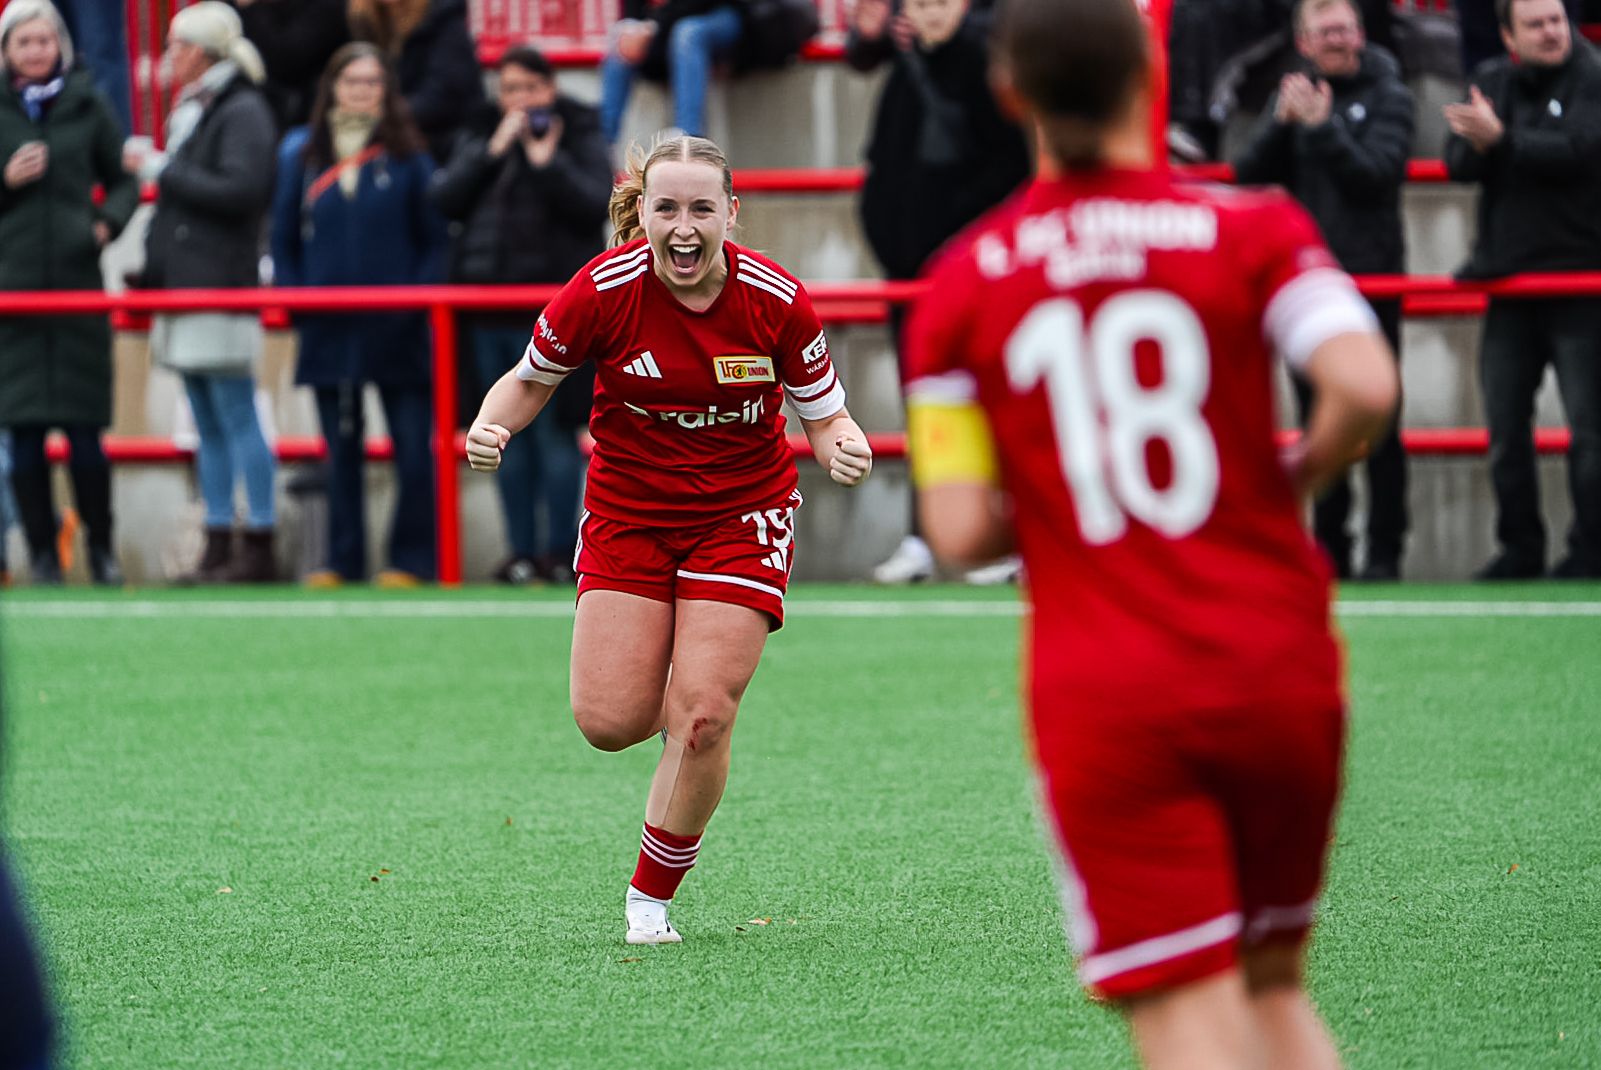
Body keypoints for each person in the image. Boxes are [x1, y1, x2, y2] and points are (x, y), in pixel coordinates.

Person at [903, 0, 1397, 1065]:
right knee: (1272, 987)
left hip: (1111, 690)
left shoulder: (959, 282)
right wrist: (1290, 474)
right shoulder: (1253, 226)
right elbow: (1362, 384)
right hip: (1277, 665)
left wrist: (1059, 494)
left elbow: (957, 529)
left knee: (1184, 1010)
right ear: (1147, 75)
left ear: (1008, 93)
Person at [465, 135, 874, 944]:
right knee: (607, 722)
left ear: (730, 214)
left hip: (742, 515)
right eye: (666, 208)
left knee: (705, 715)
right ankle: (684, 708)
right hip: (629, 514)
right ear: (643, 213)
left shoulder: (777, 299)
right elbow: (529, 380)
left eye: (700, 209)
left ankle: (649, 898)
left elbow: (824, 415)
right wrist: (490, 424)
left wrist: (842, 446)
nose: (683, 227)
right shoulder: (601, 289)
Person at [852, 0, 1030, 583]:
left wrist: (960, 250)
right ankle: (921, 537)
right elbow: (880, 168)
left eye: (941, 2)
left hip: (975, 275)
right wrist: (892, 247)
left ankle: (1008, 540)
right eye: (920, 3)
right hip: (909, 277)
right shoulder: (904, 72)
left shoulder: (986, 69)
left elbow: (1009, 168)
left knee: (995, 398)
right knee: (924, 406)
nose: (930, 14)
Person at [1234, 0, 1413, 580]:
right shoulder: (1293, 94)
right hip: (1310, 288)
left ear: (1360, 34)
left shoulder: (1391, 95)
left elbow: (1375, 175)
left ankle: (1385, 553)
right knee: (1318, 422)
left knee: (1379, 421)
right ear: (1304, 43)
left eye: (1344, 30)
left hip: (1373, 278)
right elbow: (1247, 176)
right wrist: (1281, 125)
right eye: (1324, 32)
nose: (1336, 40)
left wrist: (1322, 127)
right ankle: (1331, 549)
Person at [430, 44, 612, 585]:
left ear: (550, 90)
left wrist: (547, 163)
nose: (521, 100)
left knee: (555, 433)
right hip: (486, 311)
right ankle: (521, 553)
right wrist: (491, 152)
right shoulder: (480, 131)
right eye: (510, 89)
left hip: (556, 315)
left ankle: (560, 551)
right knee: (500, 431)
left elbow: (594, 203)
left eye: (531, 88)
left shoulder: (578, 132)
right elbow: (444, 198)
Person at [271, 43, 446, 587]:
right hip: (328, 326)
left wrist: (414, 302)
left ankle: (412, 560)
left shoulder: (410, 155)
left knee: (413, 448)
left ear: (386, 90)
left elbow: (435, 242)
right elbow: (282, 240)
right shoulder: (302, 155)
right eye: (352, 81)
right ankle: (342, 560)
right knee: (339, 451)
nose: (362, 92)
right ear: (332, 87)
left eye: (373, 82)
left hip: (399, 328)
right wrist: (298, 303)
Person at [1445, 0, 1601, 580]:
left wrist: (1502, 141)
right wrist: (1484, 142)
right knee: (1506, 430)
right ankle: (1520, 548)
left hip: (1582, 281)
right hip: (1509, 283)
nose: (1551, 32)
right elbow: (1458, 163)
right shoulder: (1491, 80)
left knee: (1590, 432)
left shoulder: (1593, 76)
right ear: (1509, 37)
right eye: (1535, 24)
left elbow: (1578, 151)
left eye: (1556, 20)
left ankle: (1591, 550)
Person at [128, 2, 279, 583]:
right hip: (188, 283)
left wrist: (161, 169)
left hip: (219, 283)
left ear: (202, 50)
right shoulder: (205, 106)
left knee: (235, 414)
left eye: (177, 45)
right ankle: (218, 541)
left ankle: (258, 538)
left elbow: (241, 190)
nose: (170, 56)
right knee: (208, 420)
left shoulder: (241, 109)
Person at [0, 0, 139, 586]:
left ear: (60, 44)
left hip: (78, 293)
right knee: (25, 443)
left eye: (44, 40)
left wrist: (107, 225)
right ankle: (41, 556)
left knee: (86, 442)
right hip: (14, 301)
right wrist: (5, 180)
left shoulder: (87, 103)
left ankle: (101, 551)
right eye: (23, 42)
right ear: (7, 51)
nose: (35, 51)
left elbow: (124, 179)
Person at [346, 0, 483, 164]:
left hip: (442, 142)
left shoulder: (442, 16)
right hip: (394, 137)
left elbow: (444, 94)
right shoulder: (363, 18)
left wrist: (383, 116)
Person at [599, 1, 745, 145]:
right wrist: (633, 29)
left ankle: (689, 138)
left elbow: (696, 5)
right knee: (620, 46)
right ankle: (602, 143)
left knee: (687, 33)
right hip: (663, 27)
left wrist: (652, 27)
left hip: (715, 14)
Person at [227, 0, 351, 132]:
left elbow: (287, 60)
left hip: (307, 115)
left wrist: (252, 8)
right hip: (267, 105)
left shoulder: (327, 6)